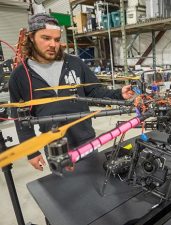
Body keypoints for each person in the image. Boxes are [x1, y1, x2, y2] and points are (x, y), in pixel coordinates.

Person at [9, 13, 134, 171]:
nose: (53, 44)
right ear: (31, 37)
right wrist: (31, 151)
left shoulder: (74, 63)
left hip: (86, 140)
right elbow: (20, 117)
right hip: (55, 146)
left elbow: (94, 91)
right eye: (46, 38)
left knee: (94, 181)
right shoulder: (20, 75)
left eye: (56, 39)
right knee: (68, 190)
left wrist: (118, 94)